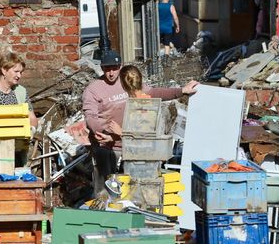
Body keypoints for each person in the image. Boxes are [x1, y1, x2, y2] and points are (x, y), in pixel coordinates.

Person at [82, 49, 199, 196]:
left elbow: (153, 93)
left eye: (114, 68)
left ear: (121, 66)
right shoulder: (93, 90)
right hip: (107, 145)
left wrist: (181, 91)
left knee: (131, 189)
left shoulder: (126, 81)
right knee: (107, 188)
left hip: (131, 143)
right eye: (107, 69)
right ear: (102, 68)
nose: (111, 73)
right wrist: (102, 133)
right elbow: (90, 116)